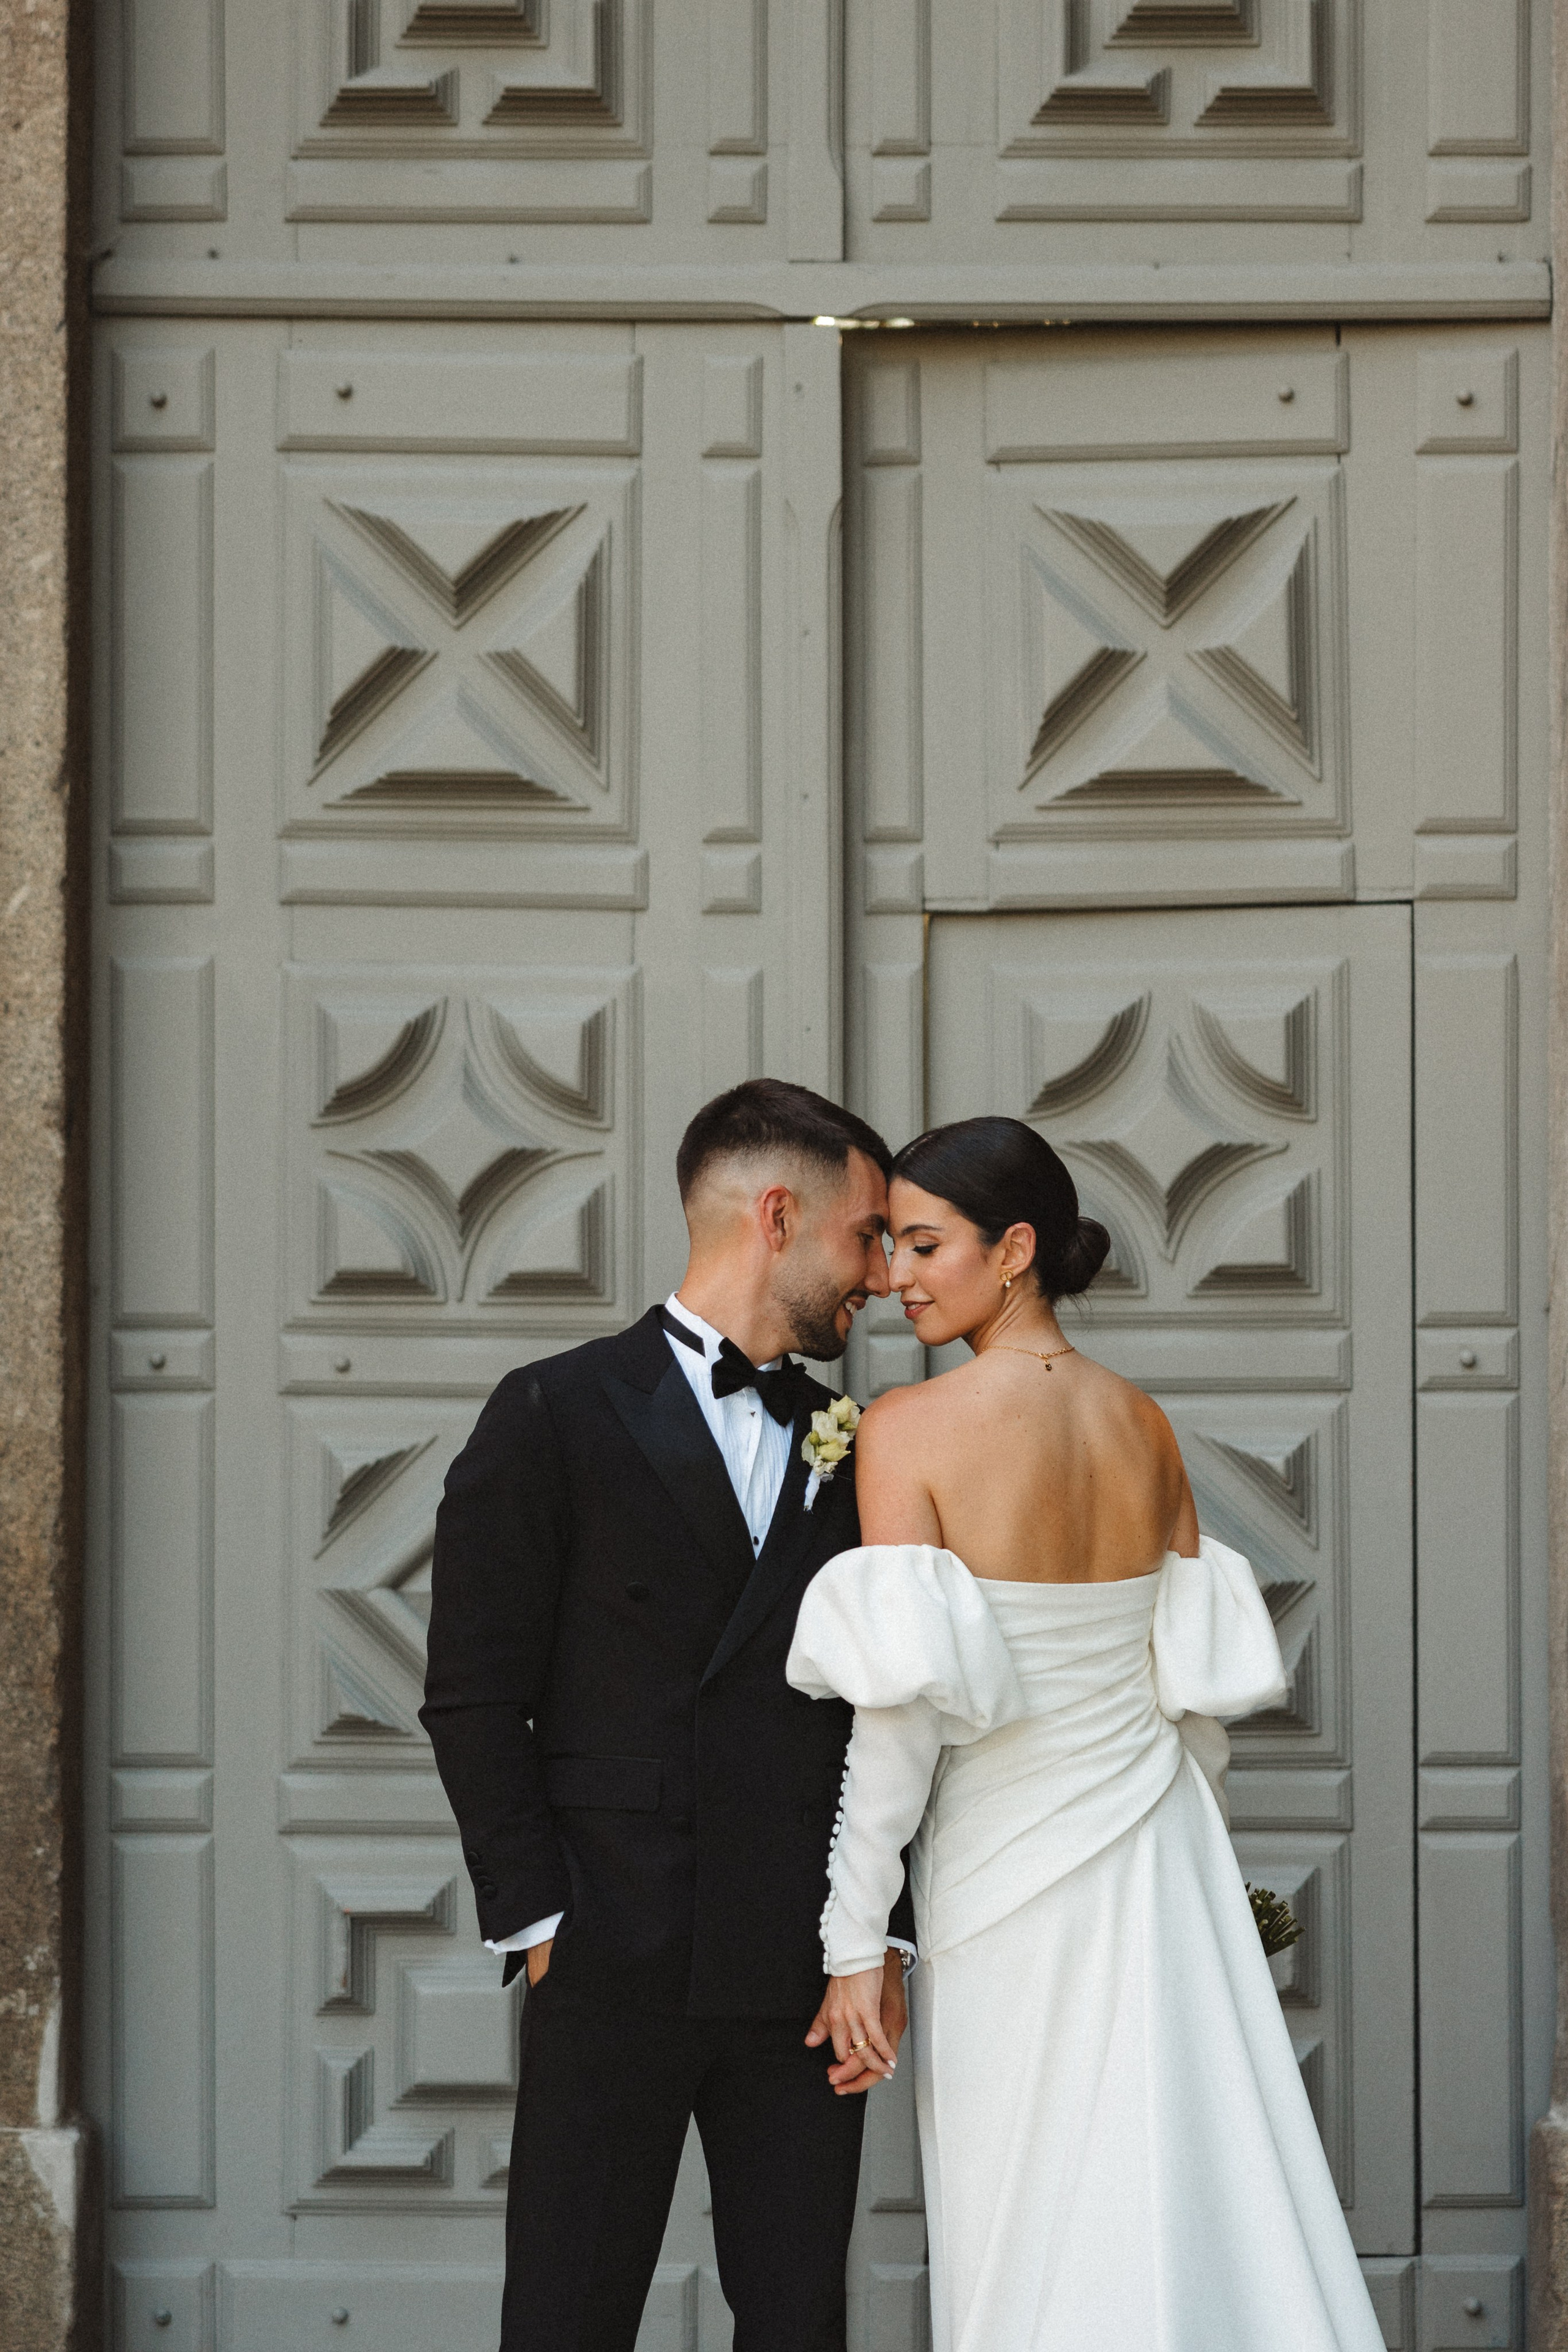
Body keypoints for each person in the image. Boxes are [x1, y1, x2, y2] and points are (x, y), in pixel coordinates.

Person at [786, 1115, 1386, 2352]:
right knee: (1173, 2188)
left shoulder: (905, 1431)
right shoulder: (1142, 1423)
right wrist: (1203, 1873)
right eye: (891, 1245)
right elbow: (1189, 1702)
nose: (894, 1276)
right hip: (1156, 1854)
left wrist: (855, 1940)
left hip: (1008, 1882)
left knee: (1027, 2203)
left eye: (922, 1243)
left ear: (1013, 1251)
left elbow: (895, 1723)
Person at [421, 1078, 915, 2352]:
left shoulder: (864, 1444)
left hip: (801, 1968)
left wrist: (881, 1938)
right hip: (608, 1953)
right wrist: (540, 1923)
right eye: (864, 1233)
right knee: (569, 2318)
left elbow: (903, 1702)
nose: (881, 1271)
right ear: (774, 1214)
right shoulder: (552, 1412)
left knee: (799, 2320)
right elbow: (474, 1694)